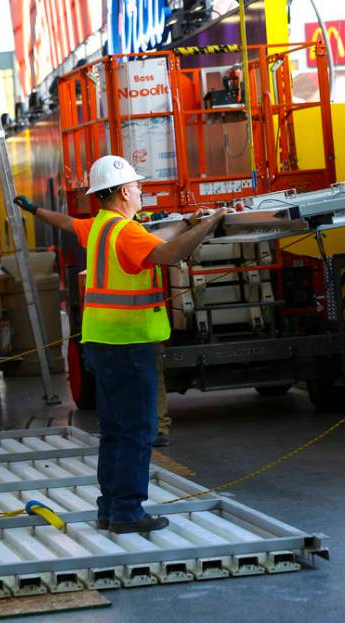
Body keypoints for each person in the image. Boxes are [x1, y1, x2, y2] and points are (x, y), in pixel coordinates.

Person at [14, 155, 227, 533]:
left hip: (101, 342)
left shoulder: (99, 228)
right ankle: (127, 513)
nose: (142, 192)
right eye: (138, 186)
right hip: (129, 344)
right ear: (125, 191)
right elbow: (169, 254)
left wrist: (35, 211)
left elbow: (67, 223)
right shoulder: (125, 232)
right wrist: (209, 224)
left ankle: (110, 508)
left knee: (114, 430)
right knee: (137, 430)